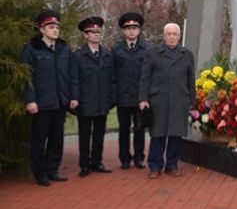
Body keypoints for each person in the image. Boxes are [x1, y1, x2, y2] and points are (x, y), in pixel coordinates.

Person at [21, 10, 78, 186]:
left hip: (60, 102)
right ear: (42, 29)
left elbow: (72, 75)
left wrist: (73, 96)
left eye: (57, 27)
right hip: (41, 103)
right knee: (39, 140)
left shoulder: (63, 49)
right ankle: (40, 173)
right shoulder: (32, 49)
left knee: (56, 139)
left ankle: (53, 170)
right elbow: (26, 78)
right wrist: (30, 100)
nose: (55, 30)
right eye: (51, 27)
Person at [139, 23, 195, 179]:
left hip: (179, 100)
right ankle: (155, 166)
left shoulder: (187, 54)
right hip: (159, 100)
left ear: (179, 36)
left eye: (174, 34)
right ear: (164, 36)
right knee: (158, 134)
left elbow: (191, 79)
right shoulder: (152, 53)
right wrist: (143, 98)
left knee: (176, 134)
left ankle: (172, 165)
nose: (171, 37)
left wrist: (192, 101)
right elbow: (145, 78)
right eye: (168, 34)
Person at [72, 16, 115, 177]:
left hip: (102, 102)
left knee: (99, 135)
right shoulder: (78, 56)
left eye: (98, 32)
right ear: (85, 35)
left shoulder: (107, 54)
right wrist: (75, 98)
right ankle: (84, 165)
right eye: (92, 32)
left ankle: (96, 162)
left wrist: (111, 99)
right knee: (84, 136)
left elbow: (112, 79)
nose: (96, 35)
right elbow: (74, 80)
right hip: (85, 102)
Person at [112, 12, 149, 170]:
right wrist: (115, 96)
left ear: (139, 30)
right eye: (128, 28)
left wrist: (145, 97)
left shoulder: (147, 49)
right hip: (123, 97)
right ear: (123, 30)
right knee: (123, 129)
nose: (132, 31)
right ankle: (124, 158)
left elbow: (149, 75)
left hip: (140, 97)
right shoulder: (116, 49)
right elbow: (112, 75)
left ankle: (139, 157)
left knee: (139, 129)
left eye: (134, 28)